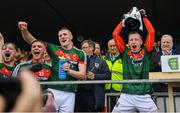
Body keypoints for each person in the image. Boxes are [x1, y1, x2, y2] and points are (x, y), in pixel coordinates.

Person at [18, 21, 86, 112]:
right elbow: (33, 41)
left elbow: (82, 75)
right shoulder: (54, 48)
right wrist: (24, 30)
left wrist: (69, 71)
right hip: (53, 90)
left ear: (71, 37)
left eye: (65, 34)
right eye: (60, 36)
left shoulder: (80, 53)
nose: (62, 37)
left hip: (70, 92)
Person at [112, 16, 158, 112]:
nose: (134, 41)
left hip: (144, 95)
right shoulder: (124, 53)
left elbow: (152, 32)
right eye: (131, 40)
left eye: (136, 39)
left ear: (141, 42)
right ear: (128, 43)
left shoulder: (147, 52)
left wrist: (144, 18)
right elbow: (115, 34)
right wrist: (123, 21)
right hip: (126, 96)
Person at [75, 40, 111, 112]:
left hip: (93, 95)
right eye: (82, 48)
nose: (83, 50)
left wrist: (95, 76)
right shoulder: (77, 60)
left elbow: (108, 76)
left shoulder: (101, 61)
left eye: (85, 47)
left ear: (91, 48)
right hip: (78, 93)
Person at [103, 38, 123, 111]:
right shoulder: (104, 59)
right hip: (107, 90)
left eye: (114, 46)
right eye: (110, 46)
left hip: (121, 91)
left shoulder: (124, 59)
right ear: (108, 47)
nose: (112, 48)